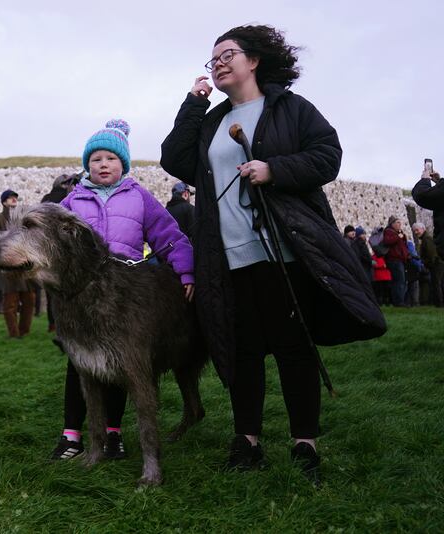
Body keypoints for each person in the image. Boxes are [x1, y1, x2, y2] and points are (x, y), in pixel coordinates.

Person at [159, 24, 385, 485]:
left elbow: (327, 156)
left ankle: (305, 443)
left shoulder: (290, 108)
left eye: (228, 54)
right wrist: (193, 103)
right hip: (227, 257)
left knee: (293, 347)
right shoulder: (213, 122)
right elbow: (174, 158)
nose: (218, 63)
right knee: (242, 351)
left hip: (286, 250)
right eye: (212, 59)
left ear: (254, 60)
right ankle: (247, 442)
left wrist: (274, 168)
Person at [50, 119, 194, 461]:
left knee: (121, 365)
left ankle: (113, 434)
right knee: (81, 366)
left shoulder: (139, 197)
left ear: (123, 164)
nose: (104, 164)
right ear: (87, 164)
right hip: (80, 299)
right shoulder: (71, 202)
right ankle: (72, 434)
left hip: (123, 296)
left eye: (111, 159)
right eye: (96, 158)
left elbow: (168, 236)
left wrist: (186, 270)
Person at [0, 190, 36, 337]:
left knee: (29, 302)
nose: (14, 199)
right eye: (10, 198)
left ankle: (24, 331)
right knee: (10, 305)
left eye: (15, 197)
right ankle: (14, 333)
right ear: (4, 202)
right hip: (8, 269)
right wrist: (7, 240)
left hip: (25, 267)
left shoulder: (23, 218)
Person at [41, 174, 79, 332]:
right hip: (68, 253)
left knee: (52, 294)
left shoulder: (45, 200)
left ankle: (53, 324)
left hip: (50, 254)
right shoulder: (71, 197)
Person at [412, 167, 444, 258]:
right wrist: (439, 183)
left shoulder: (426, 240)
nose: (416, 232)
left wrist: (425, 180)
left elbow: (422, 196)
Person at [413, 222, 443, 306]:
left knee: (437, 284)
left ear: (423, 229)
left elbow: (432, 254)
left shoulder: (427, 239)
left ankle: (439, 304)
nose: (416, 232)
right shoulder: (426, 239)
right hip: (436, 264)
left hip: (436, 265)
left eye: (417, 230)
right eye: (414, 231)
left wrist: (426, 263)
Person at [382, 216, 410, 307]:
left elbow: (403, 246)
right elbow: (387, 241)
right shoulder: (388, 231)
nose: (399, 224)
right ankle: (399, 302)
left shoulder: (397, 233)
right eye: (397, 222)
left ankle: (399, 301)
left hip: (400, 260)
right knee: (399, 281)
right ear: (392, 223)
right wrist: (398, 237)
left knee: (400, 281)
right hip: (394, 260)